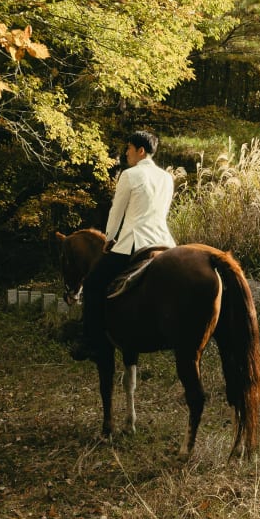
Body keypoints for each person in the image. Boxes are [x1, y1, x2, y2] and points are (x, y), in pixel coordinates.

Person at [70, 131, 176, 362]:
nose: (126, 152)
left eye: (129, 148)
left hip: (135, 241)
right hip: (165, 242)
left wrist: (109, 239)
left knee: (92, 283)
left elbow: (116, 210)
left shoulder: (130, 175)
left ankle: (91, 340)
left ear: (141, 151)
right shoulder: (167, 178)